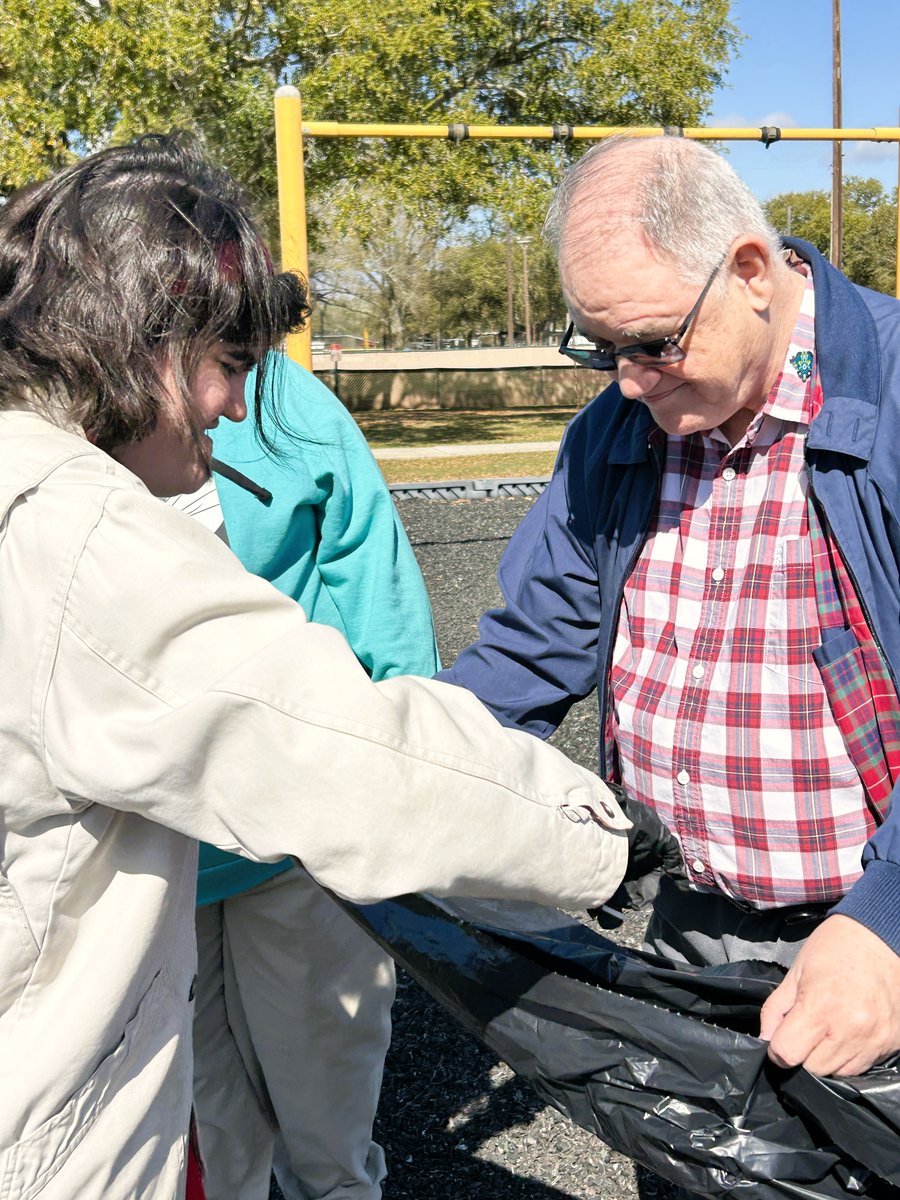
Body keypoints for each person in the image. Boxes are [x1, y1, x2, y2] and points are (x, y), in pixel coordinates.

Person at [0, 134, 631, 1200]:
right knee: (220, 1122)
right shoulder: (78, 537)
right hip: (89, 1045)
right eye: (225, 365)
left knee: (319, 1112)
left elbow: (373, 609)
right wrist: (615, 847)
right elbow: (346, 755)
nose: (236, 409)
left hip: (257, 865)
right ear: (141, 334)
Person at [440, 134, 900, 1080]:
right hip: (692, 922)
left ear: (749, 272)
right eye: (601, 349)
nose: (630, 380)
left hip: (872, 937)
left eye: (654, 342)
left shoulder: (889, 396)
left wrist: (889, 918)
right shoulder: (619, 430)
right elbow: (528, 654)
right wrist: (397, 775)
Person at [170, 353, 439, 1200]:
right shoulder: (58, 397)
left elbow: (375, 579)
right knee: (208, 1119)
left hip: (297, 826)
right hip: (152, 836)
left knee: (324, 1118)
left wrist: (412, 769)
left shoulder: (280, 395)